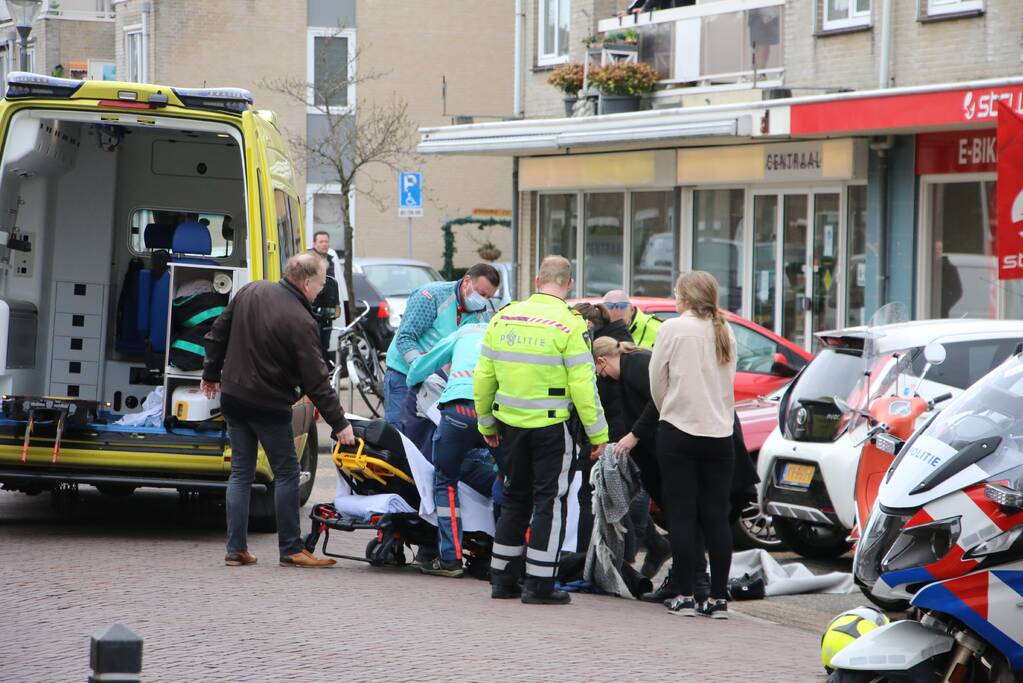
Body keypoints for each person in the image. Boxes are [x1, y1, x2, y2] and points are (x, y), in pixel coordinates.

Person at [201, 252, 356, 569]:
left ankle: (236, 548)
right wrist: (340, 424)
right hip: (268, 403)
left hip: (233, 395)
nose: (321, 288)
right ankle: (291, 548)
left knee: (241, 472)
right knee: (286, 473)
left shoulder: (251, 291)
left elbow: (217, 333)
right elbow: (316, 380)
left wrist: (210, 374)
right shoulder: (301, 321)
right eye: (321, 282)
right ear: (307, 282)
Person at [475, 255, 608, 605]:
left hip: (508, 425)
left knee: (514, 496)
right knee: (550, 500)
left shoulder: (504, 317)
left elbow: (484, 375)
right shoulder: (570, 324)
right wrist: (598, 434)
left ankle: (502, 579)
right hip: (551, 426)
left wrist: (486, 422)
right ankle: (539, 583)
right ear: (568, 284)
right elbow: (583, 385)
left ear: (536, 280)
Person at [649, 271, 736, 619]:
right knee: (716, 516)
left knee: (682, 513)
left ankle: (684, 594)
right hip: (719, 434)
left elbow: (657, 379)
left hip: (678, 429)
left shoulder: (671, 329)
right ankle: (717, 598)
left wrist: (669, 408)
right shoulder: (725, 330)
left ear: (684, 296)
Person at [406, 322, 489, 578]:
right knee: (507, 481)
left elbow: (419, 368)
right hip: (496, 411)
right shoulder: (508, 333)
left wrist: (412, 383)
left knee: (445, 481)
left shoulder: (462, 333)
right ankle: (508, 557)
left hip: (459, 411)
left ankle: (450, 559)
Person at [383, 263, 500, 429]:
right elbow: (405, 337)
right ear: (467, 281)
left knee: (426, 436)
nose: (483, 300)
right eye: (481, 294)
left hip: (436, 381)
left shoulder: (481, 315)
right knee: (399, 434)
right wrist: (420, 367)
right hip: (403, 373)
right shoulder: (431, 296)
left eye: (488, 297)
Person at [310, 233, 342, 364]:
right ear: (314, 243)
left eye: (326, 241)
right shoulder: (309, 259)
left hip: (327, 311)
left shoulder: (330, 259)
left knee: (325, 345)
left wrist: (336, 304)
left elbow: (332, 285)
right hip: (313, 309)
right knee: (314, 346)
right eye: (321, 241)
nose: (324, 244)